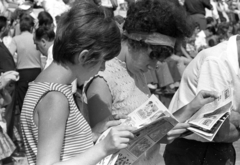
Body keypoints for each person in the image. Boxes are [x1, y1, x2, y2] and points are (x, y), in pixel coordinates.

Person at [84, 0, 218, 165]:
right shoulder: (102, 80)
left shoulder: (136, 70)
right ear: (136, 43)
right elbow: (103, 149)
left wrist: (192, 106)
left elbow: (151, 132)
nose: (155, 66)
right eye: (153, 57)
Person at [20, 1, 137, 165]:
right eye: (102, 61)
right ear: (83, 57)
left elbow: (63, 146)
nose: (103, 68)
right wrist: (103, 148)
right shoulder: (55, 98)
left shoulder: (43, 86)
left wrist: (93, 134)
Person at [164, 35, 240, 165]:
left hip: (214, 150)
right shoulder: (216, 60)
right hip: (193, 151)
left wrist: (234, 118)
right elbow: (220, 132)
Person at [9, 13, 42, 111]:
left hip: (22, 73)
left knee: (24, 105)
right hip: (37, 72)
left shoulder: (16, 39)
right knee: (36, 103)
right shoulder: (36, 38)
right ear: (32, 27)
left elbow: (9, 55)